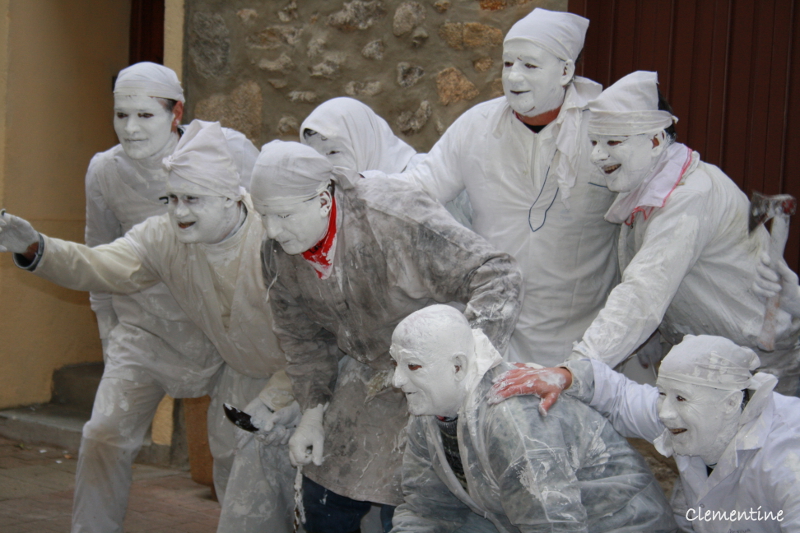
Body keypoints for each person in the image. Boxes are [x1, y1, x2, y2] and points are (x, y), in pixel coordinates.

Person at [0, 120, 295, 533]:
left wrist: (285, 392)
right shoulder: (164, 236)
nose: (179, 212)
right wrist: (36, 249)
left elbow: (320, 331)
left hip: (292, 376)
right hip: (230, 372)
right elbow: (100, 264)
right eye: (171, 198)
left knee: (278, 490)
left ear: (229, 196)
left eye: (192, 199)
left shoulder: (275, 236)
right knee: (234, 491)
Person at [252, 140, 523, 533]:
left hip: (432, 372)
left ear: (324, 201)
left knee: (412, 505)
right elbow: (302, 338)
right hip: (365, 373)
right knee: (323, 498)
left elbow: (498, 276)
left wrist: (464, 370)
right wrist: (312, 411)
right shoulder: (277, 252)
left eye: (283, 215)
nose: (272, 230)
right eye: (263, 215)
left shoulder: (394, 217)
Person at [66, 61, 258, 533]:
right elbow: (98, 256)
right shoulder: (104, 171)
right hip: (145, 329)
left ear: (177, 114)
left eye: (145, 115)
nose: (131, 128)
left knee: (236, 448)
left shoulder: (227, 150)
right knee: (103, 434)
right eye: (121, 115)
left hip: (224, 330)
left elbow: (264, 225)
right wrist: (109, 332)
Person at [365, 8, 619, 365]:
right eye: (508, 63)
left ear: (565, 71)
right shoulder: (477, 126)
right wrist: (355, 188)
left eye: (530, 65)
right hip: (497, 326)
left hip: (581, 333)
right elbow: (421, 187)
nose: (514, 76)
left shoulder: (605, 132)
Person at [548, 70, 800, 394]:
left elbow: (644, 292)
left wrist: (577, 368)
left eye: (613, 142)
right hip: (716, 367)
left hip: (766, 369)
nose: (598, 155)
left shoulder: (690, 197)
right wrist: (656, 333)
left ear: (655, 141)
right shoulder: (643, 189)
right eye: (594, 142)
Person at [388, 305, 676, 532]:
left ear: (457, 367)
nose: (397, 380)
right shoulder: (430, 412)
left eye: (412, 366)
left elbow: (554, 526)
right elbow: (427, 509)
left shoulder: (513, 421)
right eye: (395, 363)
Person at [490, 335, 800, 532]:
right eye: (663, 393)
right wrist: (565, 376)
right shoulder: (701, 416)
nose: (665, 412)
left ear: (731, 403)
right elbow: (619, 396)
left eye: (680, 398)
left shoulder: (787, 461)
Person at [299, 96, 473, 227]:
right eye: (317, 159)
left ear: (364, 141)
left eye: (333, 152)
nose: (327, 166)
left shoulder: (430, 171)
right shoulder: (334, 207)